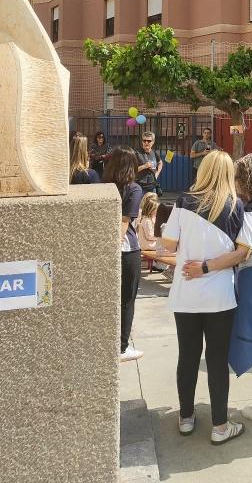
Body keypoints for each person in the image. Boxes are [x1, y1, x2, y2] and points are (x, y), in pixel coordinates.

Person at [183, 154, 252, 425]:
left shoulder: (251, 211)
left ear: (246, 180)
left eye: (237, 177)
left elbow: (243, 251)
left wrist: (208, 264)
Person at [160, 150, 246, 445]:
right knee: (217, 360)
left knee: (187, 356)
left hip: (186, 294)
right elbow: (240, 252)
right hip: (220, 296)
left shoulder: (184, 202)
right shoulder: (236, 207)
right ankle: (220, 425)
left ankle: (186, 417)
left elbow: (168, 244)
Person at [103, 147, 145, 362]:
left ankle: (107, 343)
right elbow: (125, 221)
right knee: (127, 300)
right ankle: (121, 347)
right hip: (126, 249)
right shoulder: (134, 189)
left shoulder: (103, 186)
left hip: (103, 248)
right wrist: (115, 244)